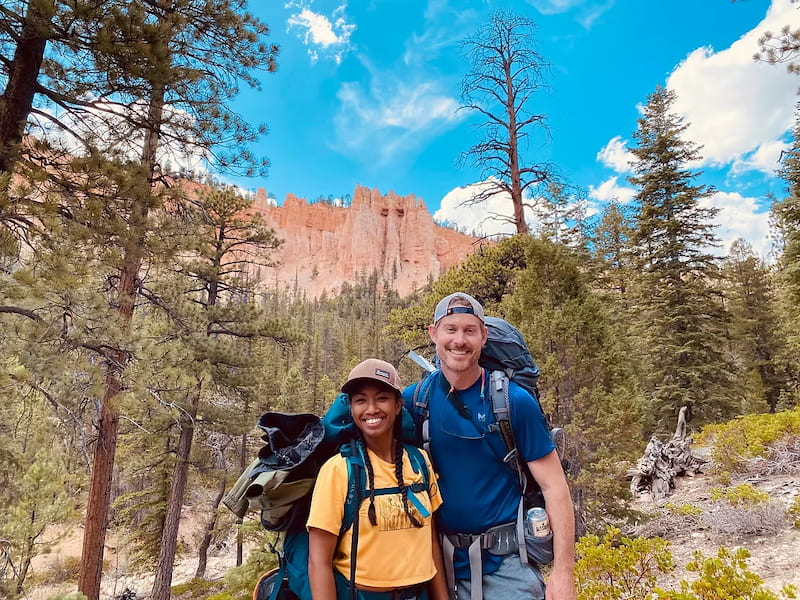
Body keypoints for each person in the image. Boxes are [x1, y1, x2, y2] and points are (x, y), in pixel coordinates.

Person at [402, 293, 576, 600]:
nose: (459, 340)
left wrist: (563, 574)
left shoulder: (513, 402)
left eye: (470, 330)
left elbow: (554, 487)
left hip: (507, 568)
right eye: (450, 329)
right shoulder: (416, 402)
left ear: (484, 336)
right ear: (433, 334)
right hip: (438, 572)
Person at [307, 358, 450, 600]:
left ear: (397, 405)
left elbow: (431, 544)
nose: (371, 409)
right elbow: (318, 561)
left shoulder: (419, 462)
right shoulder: (339, 470)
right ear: (351, 409)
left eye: (382, 398)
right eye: (361, 400)